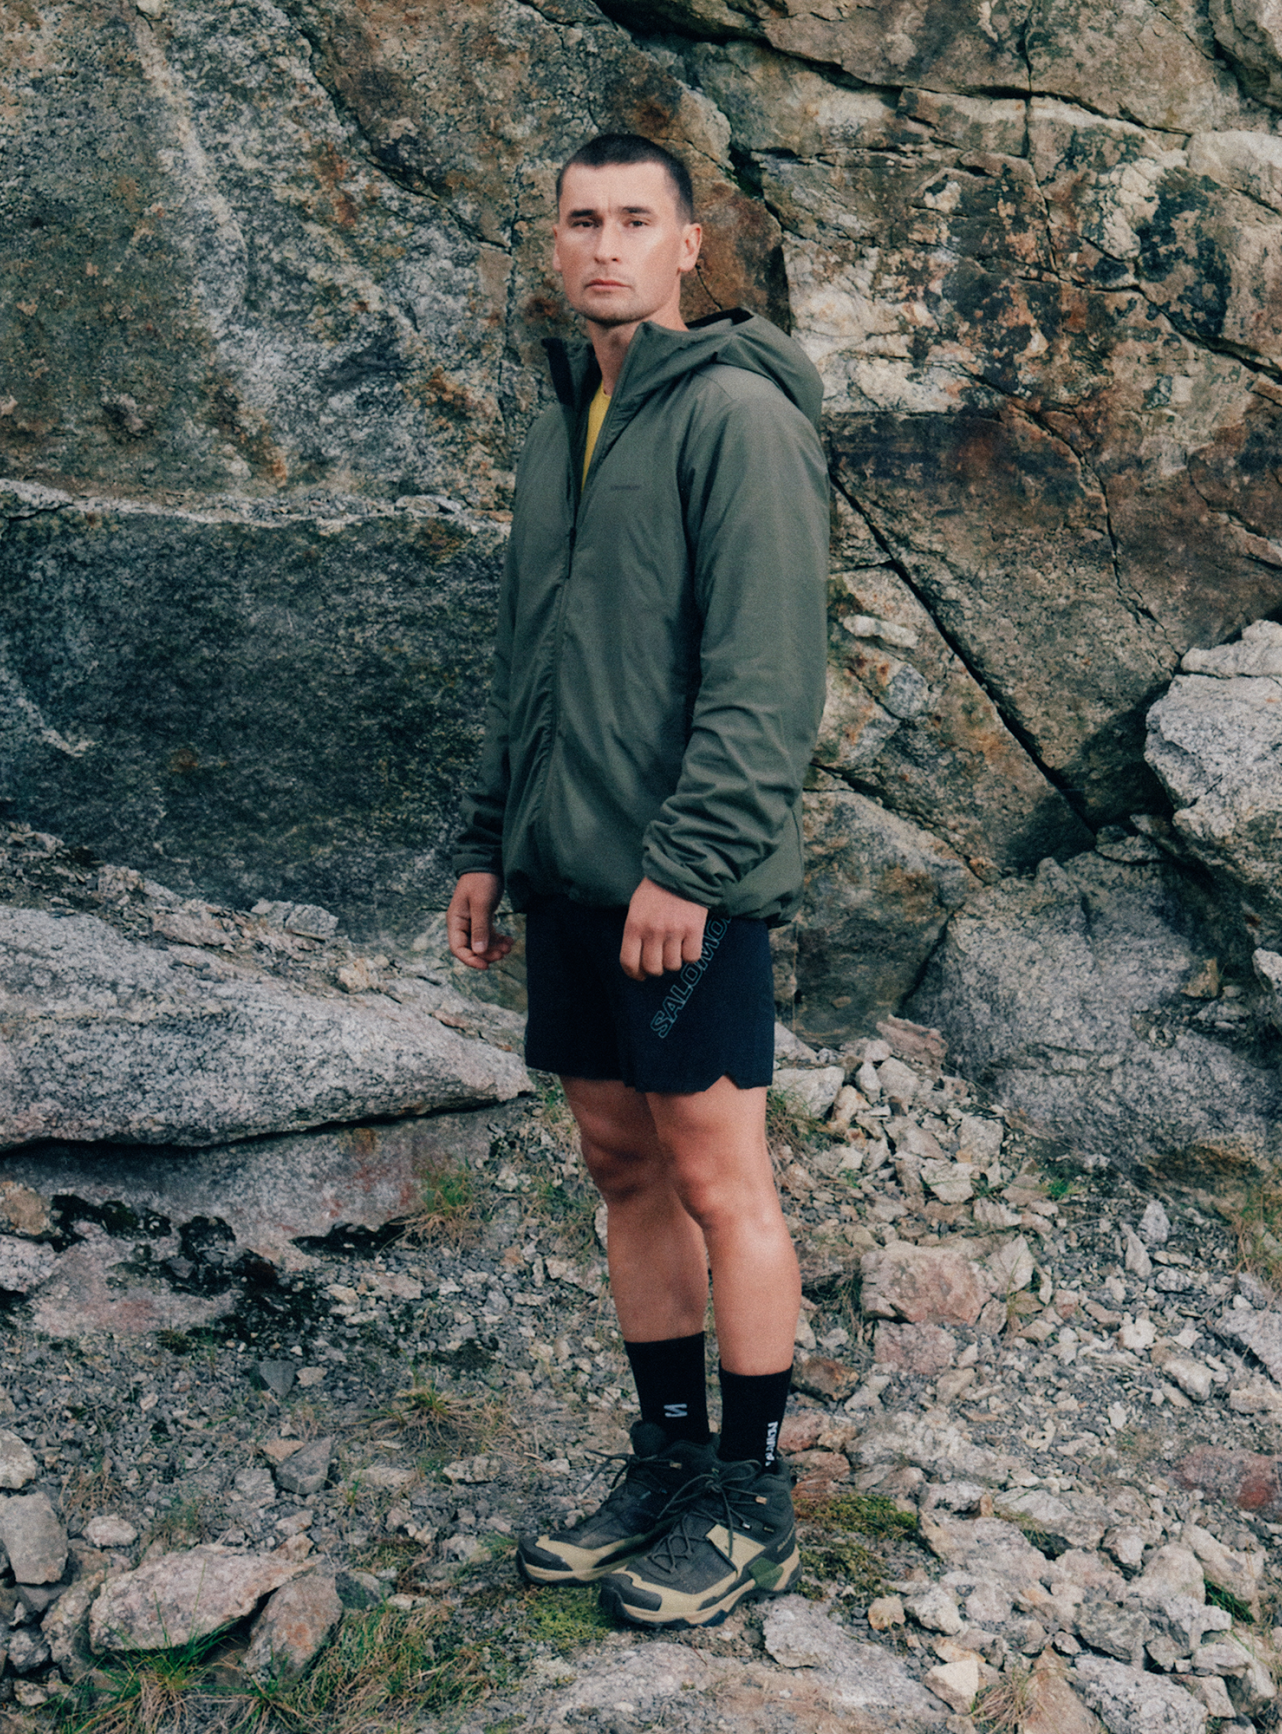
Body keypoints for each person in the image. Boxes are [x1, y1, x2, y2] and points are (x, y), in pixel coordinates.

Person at [446, 132, 829, 1630]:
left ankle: (754, 1496)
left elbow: (766, 678)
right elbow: (528, 665)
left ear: (687, 248)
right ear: (554, 245)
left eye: (633, 221)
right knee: (621, 1165)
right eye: (580, 221)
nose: (605, 246)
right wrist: (489, 840)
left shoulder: (736, 415)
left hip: (685, 886)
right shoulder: (566, 425)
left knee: (722, 1180)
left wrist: (692, 866)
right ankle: (667, 1461)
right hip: (570, 876)